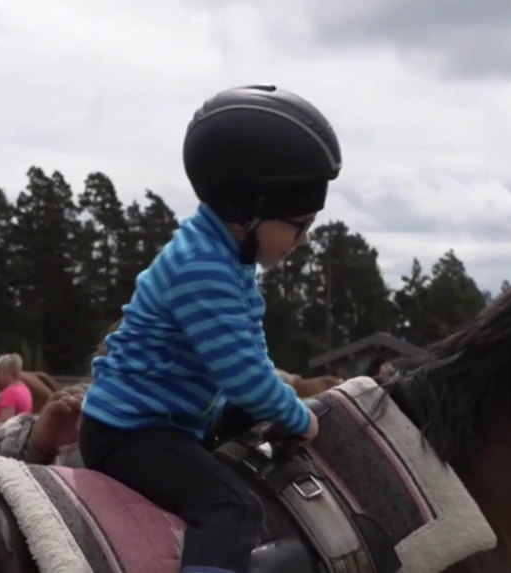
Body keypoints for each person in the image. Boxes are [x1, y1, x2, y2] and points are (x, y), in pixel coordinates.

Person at [79, 84, 342, 573]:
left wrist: (277, 406)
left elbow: (252, 346)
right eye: (298, 225)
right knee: (232, 507)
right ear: (248, 209)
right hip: (132, 432)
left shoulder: (228, 257)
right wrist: (301, 418)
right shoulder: (201, 266)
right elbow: (242, 373)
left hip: (170, 418)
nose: (303, 241)